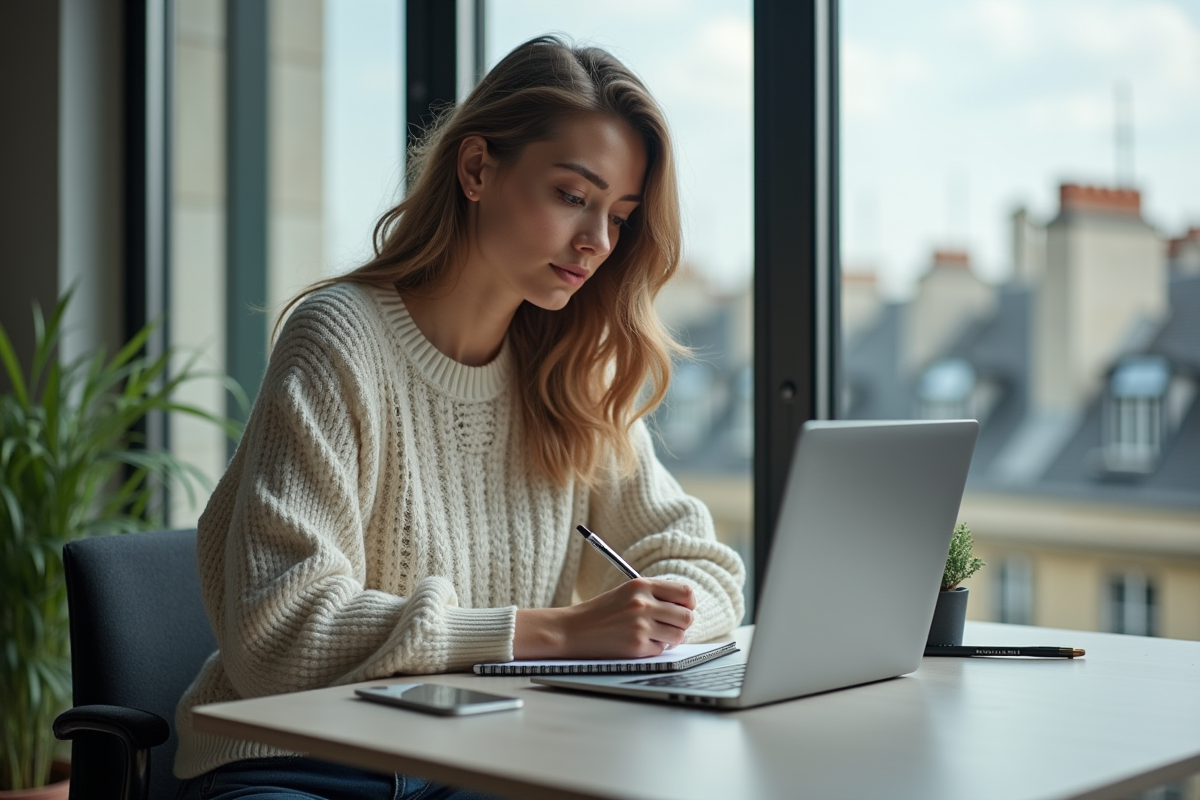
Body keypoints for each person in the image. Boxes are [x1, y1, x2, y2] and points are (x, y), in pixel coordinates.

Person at [174, 35, 745, 800]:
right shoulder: (341, 337)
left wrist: (656, 618)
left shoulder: (570, 369)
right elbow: (281, 632)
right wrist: (558, 633)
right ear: (477, 169)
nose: (597, 242)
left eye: (619, 215)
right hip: (301, 758)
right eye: (573, 196)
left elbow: (705, 569)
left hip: (485, 758)